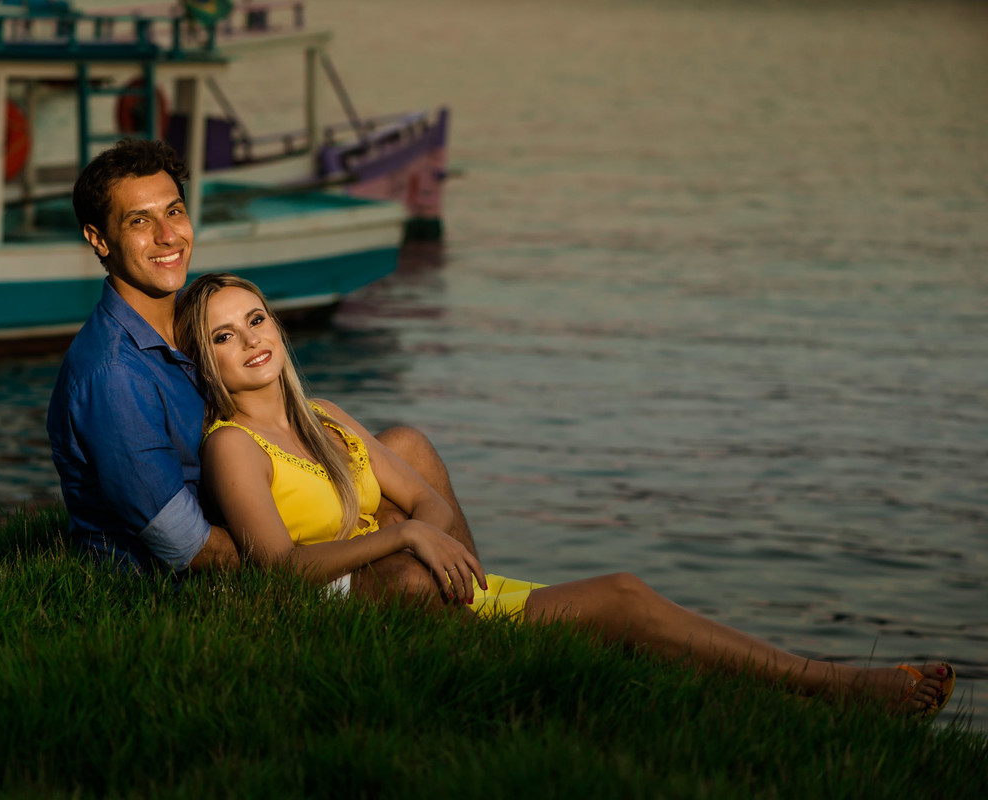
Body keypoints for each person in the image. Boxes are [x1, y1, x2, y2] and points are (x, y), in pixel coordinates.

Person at [174, 271, 957, 718]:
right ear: (207, 363)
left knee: (409, 451)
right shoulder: (234, 446)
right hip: (349, 602)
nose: (251, 341)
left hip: (408, 581)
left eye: (257, 319)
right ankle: (836, 686)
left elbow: (432, 503)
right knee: (620, 593)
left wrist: (422, 526)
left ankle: (486, 616)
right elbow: (277, 567)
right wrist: (400, 533)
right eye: (224, 336)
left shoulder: (329, 418)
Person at [47, 138, 477, 593]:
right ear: (99, 239)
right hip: (181, 584)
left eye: (174, 211)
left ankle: (477, 595)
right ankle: (467, 623)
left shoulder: (187, 319)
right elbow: (186, 547)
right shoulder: (113, 374)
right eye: (139, 221)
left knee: (408, 448)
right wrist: (341, 536)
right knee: (399, 552)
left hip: (253, 505)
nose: (167, 236)